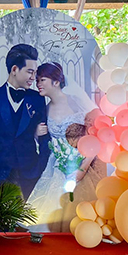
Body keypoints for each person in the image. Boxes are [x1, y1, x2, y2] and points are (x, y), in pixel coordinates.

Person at [28, 62, 105, 231]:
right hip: (56, 165)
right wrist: (36, 133)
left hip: (82, 163)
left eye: (42, 80)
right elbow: (45, 141)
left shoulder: (77, 102)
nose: (38, 84)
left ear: (56, 82)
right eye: (37, 80)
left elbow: (95, 136)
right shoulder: (45, 109)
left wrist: (82, 169)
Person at [0, 44, 50, 199]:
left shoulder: (37, 99)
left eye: (35, 73)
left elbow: (44, 135)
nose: (33, 78)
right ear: (14, 69)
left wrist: (41, 167)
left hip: (30, 170)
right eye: (30, 72)